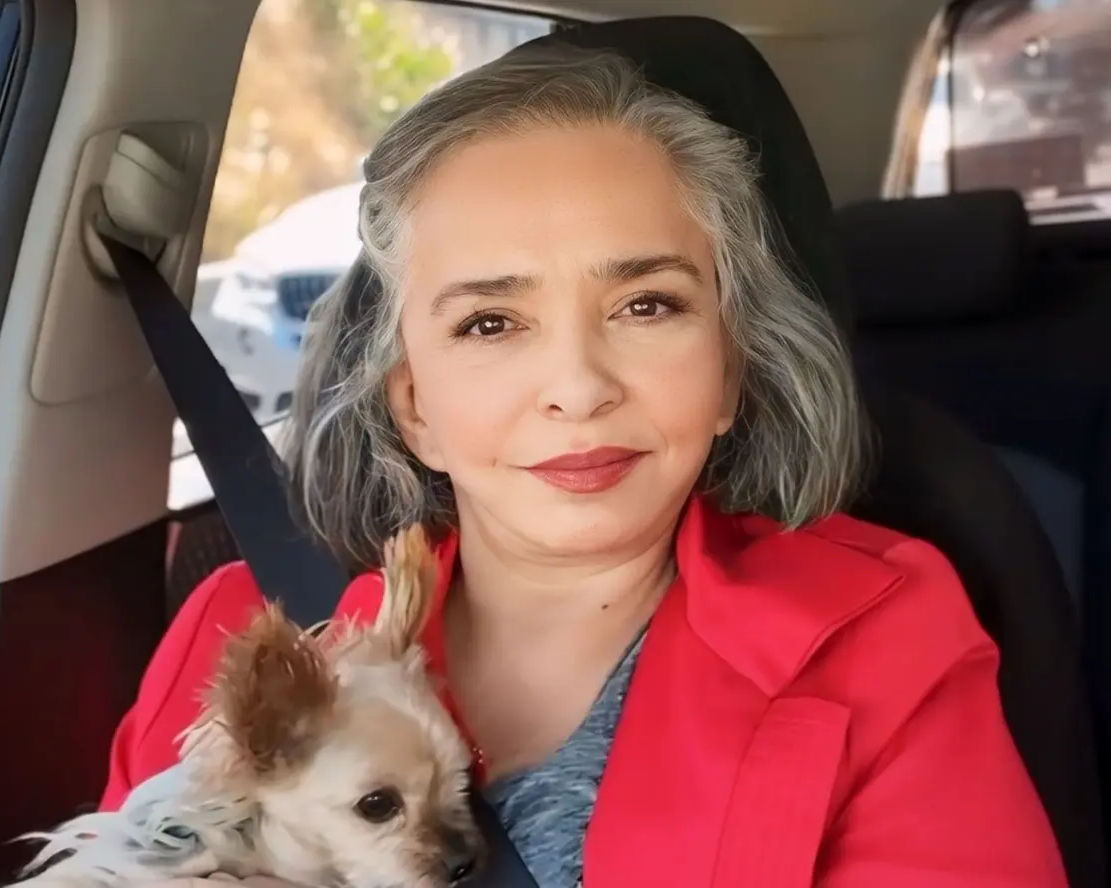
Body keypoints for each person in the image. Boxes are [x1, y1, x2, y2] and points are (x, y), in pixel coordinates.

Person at [99, 42, 1066, 888]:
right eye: (490, 322)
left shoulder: (878, 644)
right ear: (415, 407)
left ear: (727, 373)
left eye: (647, 305)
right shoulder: (238, 641)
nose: (578, 386)